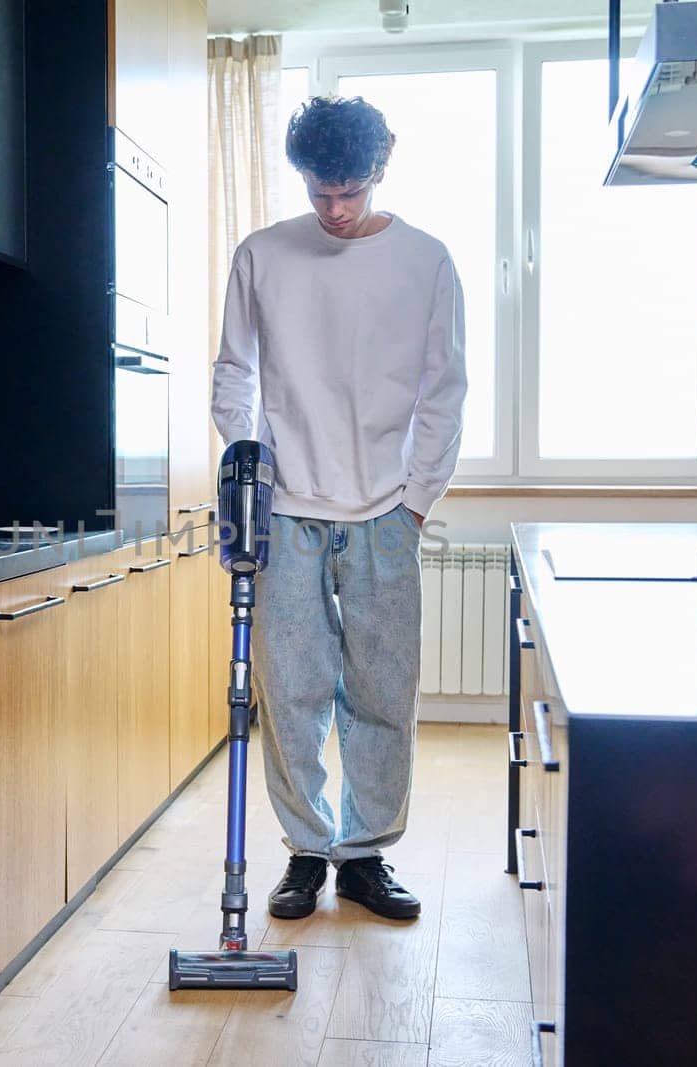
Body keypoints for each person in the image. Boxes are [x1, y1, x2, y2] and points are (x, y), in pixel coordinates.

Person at [210, 95, 466, 921]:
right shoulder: (263, 254)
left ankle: (365, 855)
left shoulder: (426, 262)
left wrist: (418, 501)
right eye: (320, 191)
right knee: (291, 691)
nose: (335, 209)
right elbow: (233, 371)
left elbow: (445, 390)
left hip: (386, 508)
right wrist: (248, 457)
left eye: (349, 191)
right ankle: (306, 852)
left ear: (380, 171)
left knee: (383, 691)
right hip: (285, 506)